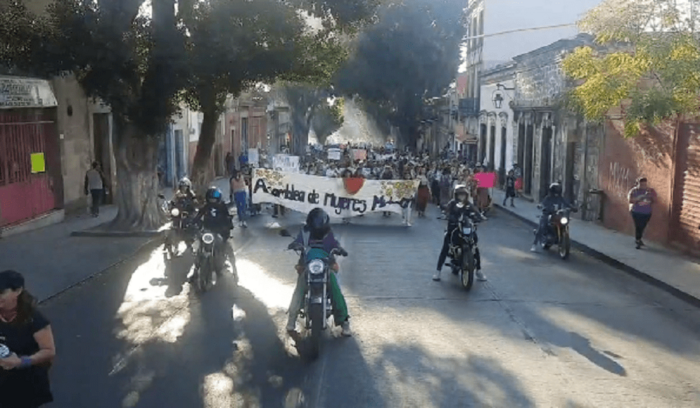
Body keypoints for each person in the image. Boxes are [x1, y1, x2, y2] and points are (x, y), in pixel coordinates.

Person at [286, 208, 351, 337]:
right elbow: (298, 241)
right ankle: (291, 320)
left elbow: (334, 243)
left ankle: (344, 321)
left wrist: (339, 249)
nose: (317, 226)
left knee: (335, 289)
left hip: (326, 264)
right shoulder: (305, 232)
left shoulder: (328, 234)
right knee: (300, 288)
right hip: (307, 264)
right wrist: (294, 244)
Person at [0, 270, 55, 408]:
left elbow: (48, 351)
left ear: (18, 290)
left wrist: (20, 361)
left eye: (1, 292)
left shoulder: (34, 320)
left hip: (26, 384)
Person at [433, 185, 486, 282]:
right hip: (454, 228)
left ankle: (479, 270)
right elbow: (446, 210)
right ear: (456, 195)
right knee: (446, 246)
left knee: (475, 246)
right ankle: (438, 271)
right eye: (460, 195)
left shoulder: (468, 204)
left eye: (463, 195)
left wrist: (479, 217)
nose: (461, 197)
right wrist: (446, 215)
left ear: (466, 195)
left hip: (466, 228)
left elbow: (475, 211)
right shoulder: (452, 203)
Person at [194, 187, 233, 273]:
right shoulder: (206, 207)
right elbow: (199, 215)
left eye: (214, 199)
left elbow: (228, 218)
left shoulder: (223, 207)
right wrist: (195, 223)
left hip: (220, 232)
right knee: (200, 247)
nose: (212, 201)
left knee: (225, 245)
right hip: (208, 231)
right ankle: (195, 270)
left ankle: (232, 267)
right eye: (211, 199)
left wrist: (228, 226)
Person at [531, 183, 572, 252]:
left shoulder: (560, 198)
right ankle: (534, 245)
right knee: (542, 226)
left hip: (558, 215)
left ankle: (561, 239)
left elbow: (566, 204)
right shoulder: (548, 198)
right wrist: (541, 206)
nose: (556, 193)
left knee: (565, 222)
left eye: (557, 191)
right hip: (548, 214)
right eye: (555, 191)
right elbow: (543, 203)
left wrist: (572, 208)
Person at [628, 177, 656, 249]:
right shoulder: (634, 191)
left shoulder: (650, 190)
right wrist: (639, 198)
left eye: (644, 184)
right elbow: (630, 200)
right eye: (641, 184)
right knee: (638, 226)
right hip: (636, 211)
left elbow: (655, 200)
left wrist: (650, 198)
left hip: (647, 212)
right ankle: (638, 240)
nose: (643, 186)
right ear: (638, 184)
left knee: (643, 226)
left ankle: (639, 238)